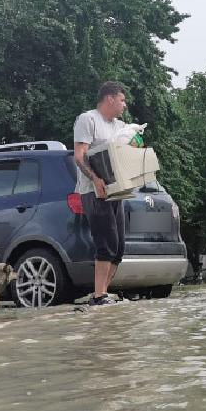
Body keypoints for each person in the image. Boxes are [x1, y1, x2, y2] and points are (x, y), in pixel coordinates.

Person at [73, 81, 129, 306]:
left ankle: (103, 294)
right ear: (110, 99)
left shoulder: (120, 126)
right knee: (106, 243)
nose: (124, 105)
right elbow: (80, 156)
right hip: (94, 192)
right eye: (122, 100)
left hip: (116, 191)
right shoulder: (88, 119)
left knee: (119, 248)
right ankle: (99, 296)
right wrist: (95, 179)